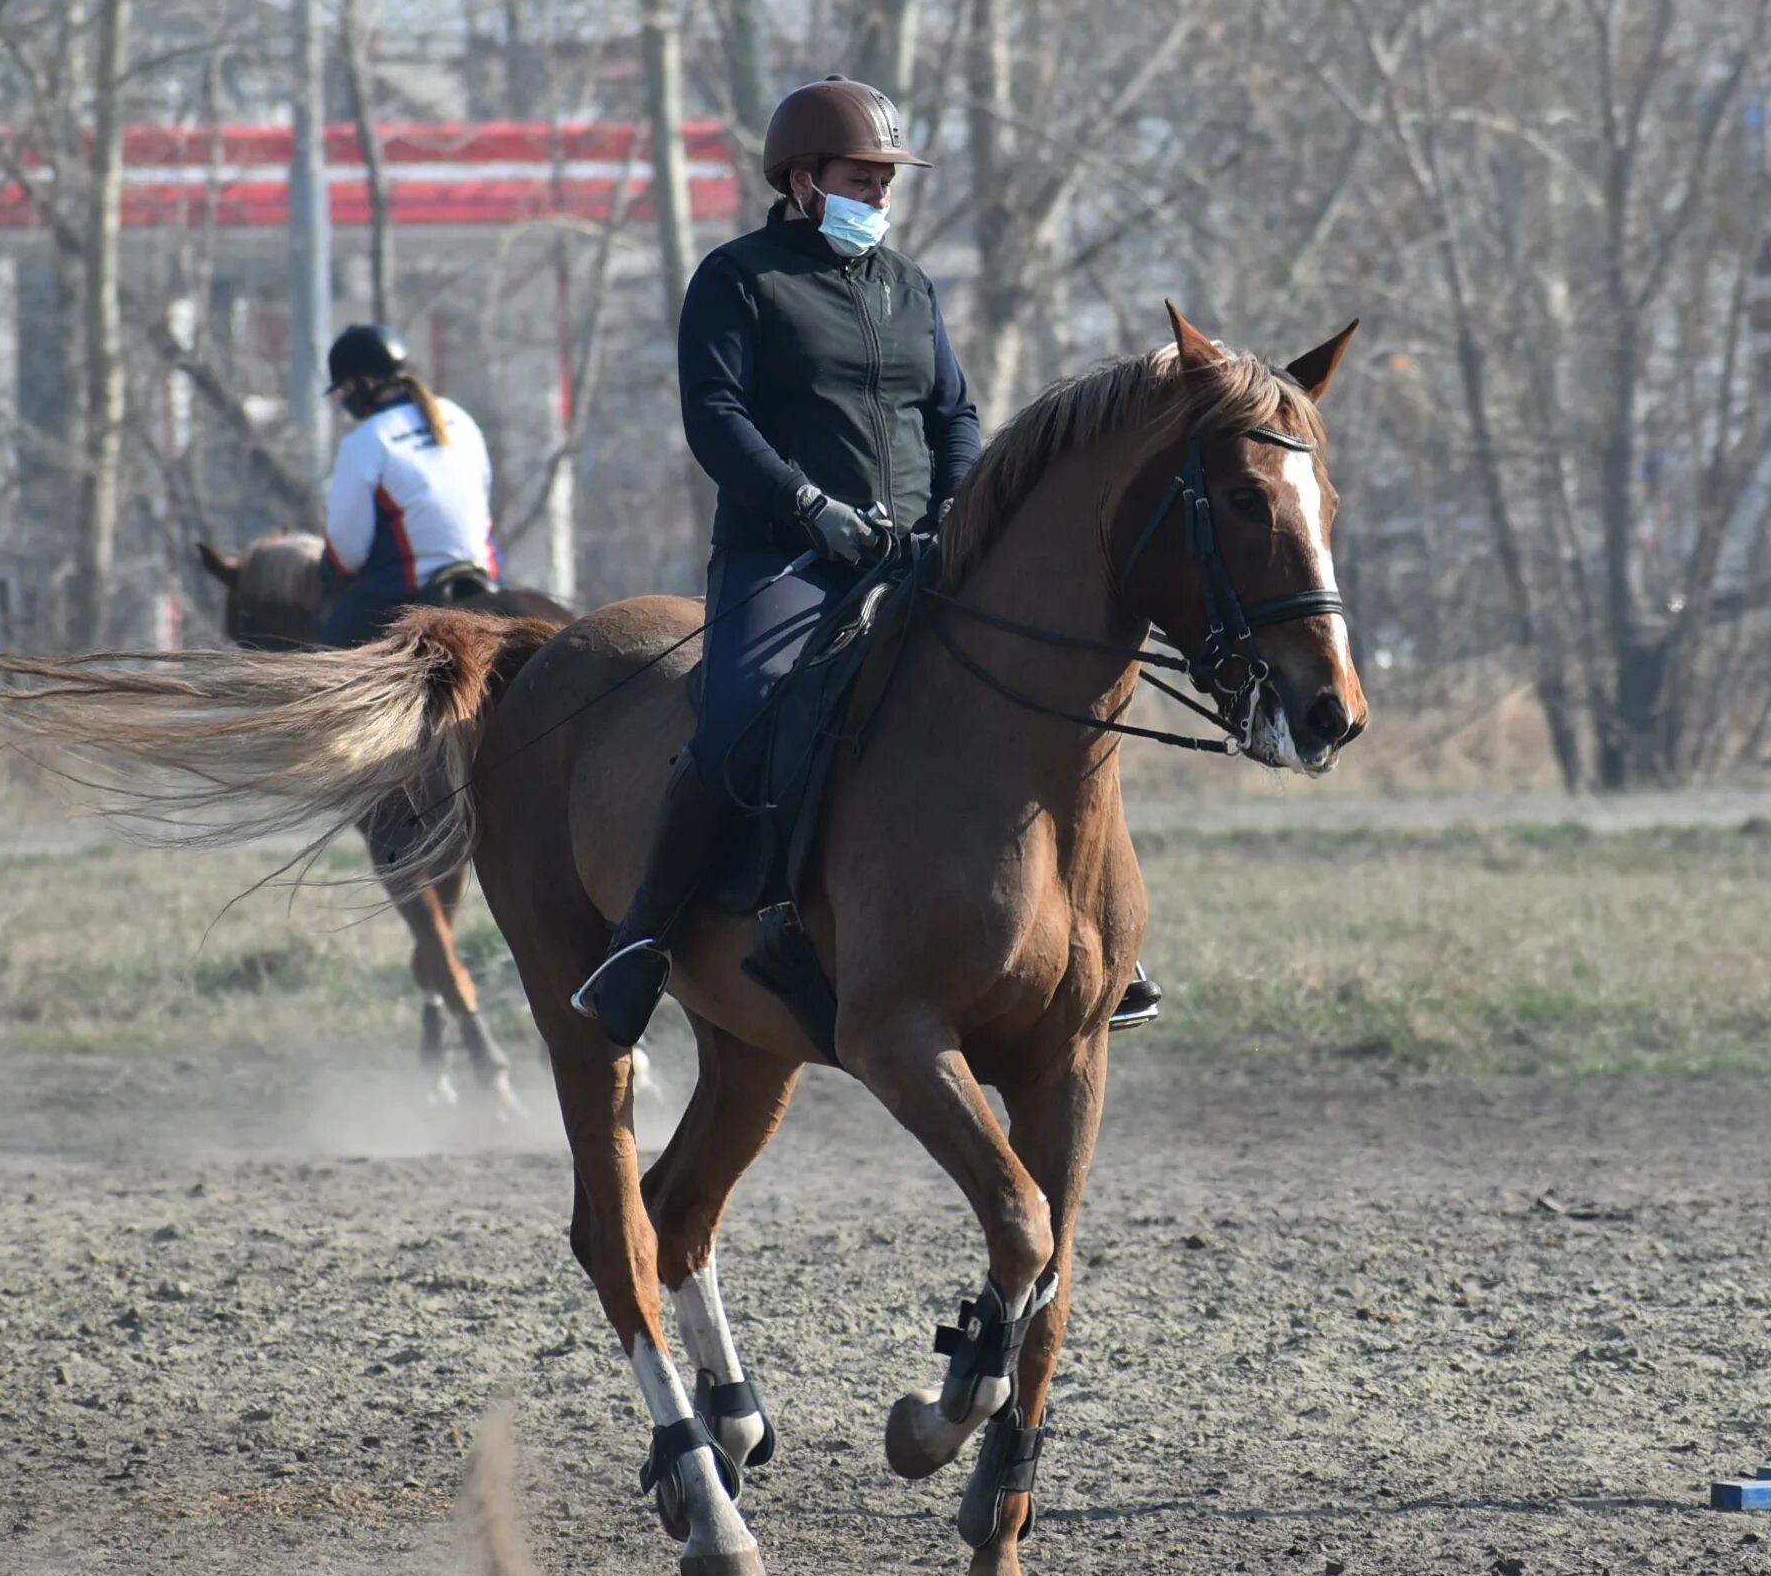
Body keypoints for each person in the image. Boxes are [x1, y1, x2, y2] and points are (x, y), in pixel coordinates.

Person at [569, 76, 1162, 1047]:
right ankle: (644, 938)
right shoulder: (739, 277)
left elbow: (953, 414)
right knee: (734, 727)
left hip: (920, 550)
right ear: (802, 181)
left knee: (1025, 702)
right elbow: (715, 418)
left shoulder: (908, 287)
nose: (881, 195)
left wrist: (966, 515)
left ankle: (1091, 939)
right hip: (784, 558)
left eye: (887, 179)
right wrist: (810, 507)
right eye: (864, 177)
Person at [316, 323, 500, 649]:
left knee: (324, 653)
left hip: (405, 591)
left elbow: (347, 551)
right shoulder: (458, 416)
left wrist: (328, 568)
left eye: (344, 389)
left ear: (366, 382)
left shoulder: (367, 440)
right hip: (483, 574)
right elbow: (484, 497)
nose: (344, 399)